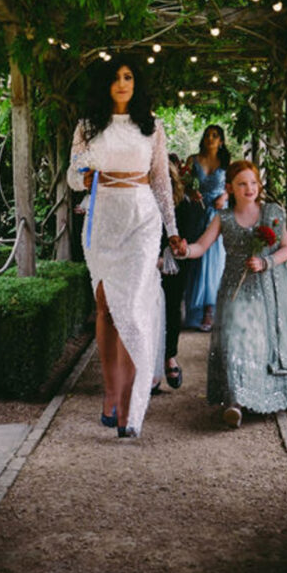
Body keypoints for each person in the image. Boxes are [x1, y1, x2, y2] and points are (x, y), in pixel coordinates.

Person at [71, 58, 184, 438]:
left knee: (133, 310)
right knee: (105, 307)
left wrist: (172, 231)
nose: (122, 83)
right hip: (102, 218)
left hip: (141, 219)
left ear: (136, 83)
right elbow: (72, 176)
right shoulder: (87, 127)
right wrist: (83, 177)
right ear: (105, 84)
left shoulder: (152, 127)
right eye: (116, 77)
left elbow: (161, 182)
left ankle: (130, 409)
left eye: (129, 76)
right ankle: (110, 391)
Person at [178, 159, 287, 428]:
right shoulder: (224, 218)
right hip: (234, 290)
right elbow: (200, 246)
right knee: (234, 339)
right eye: (242, 184)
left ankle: (259, 395)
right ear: (230, 188)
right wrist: (185, 250)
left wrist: (266, 262)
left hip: (268, 290)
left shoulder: (272, 212)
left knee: (259, 344)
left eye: (253, 183)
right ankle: (235, 402)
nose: (249, 188)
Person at [161, 155, 209, 390]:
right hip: (143, 260)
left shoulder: (183, 203)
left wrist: (176, 249)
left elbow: (193, 228)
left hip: (175, 261)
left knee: (171, 306)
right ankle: (146, 366)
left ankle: (170, 355)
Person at [184, 125, 229, 330]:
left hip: (218, 212)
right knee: (198, 259)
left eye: (215, 136)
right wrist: (191, 193)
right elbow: (182, 184)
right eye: (208, 135)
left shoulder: (226, 162)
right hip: (197, 212)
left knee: (215, 259)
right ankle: (197, 309)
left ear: (221, 141)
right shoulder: (192, 160)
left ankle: (211, 309)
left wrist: (225, 196)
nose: (211, 138)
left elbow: (233, 184)